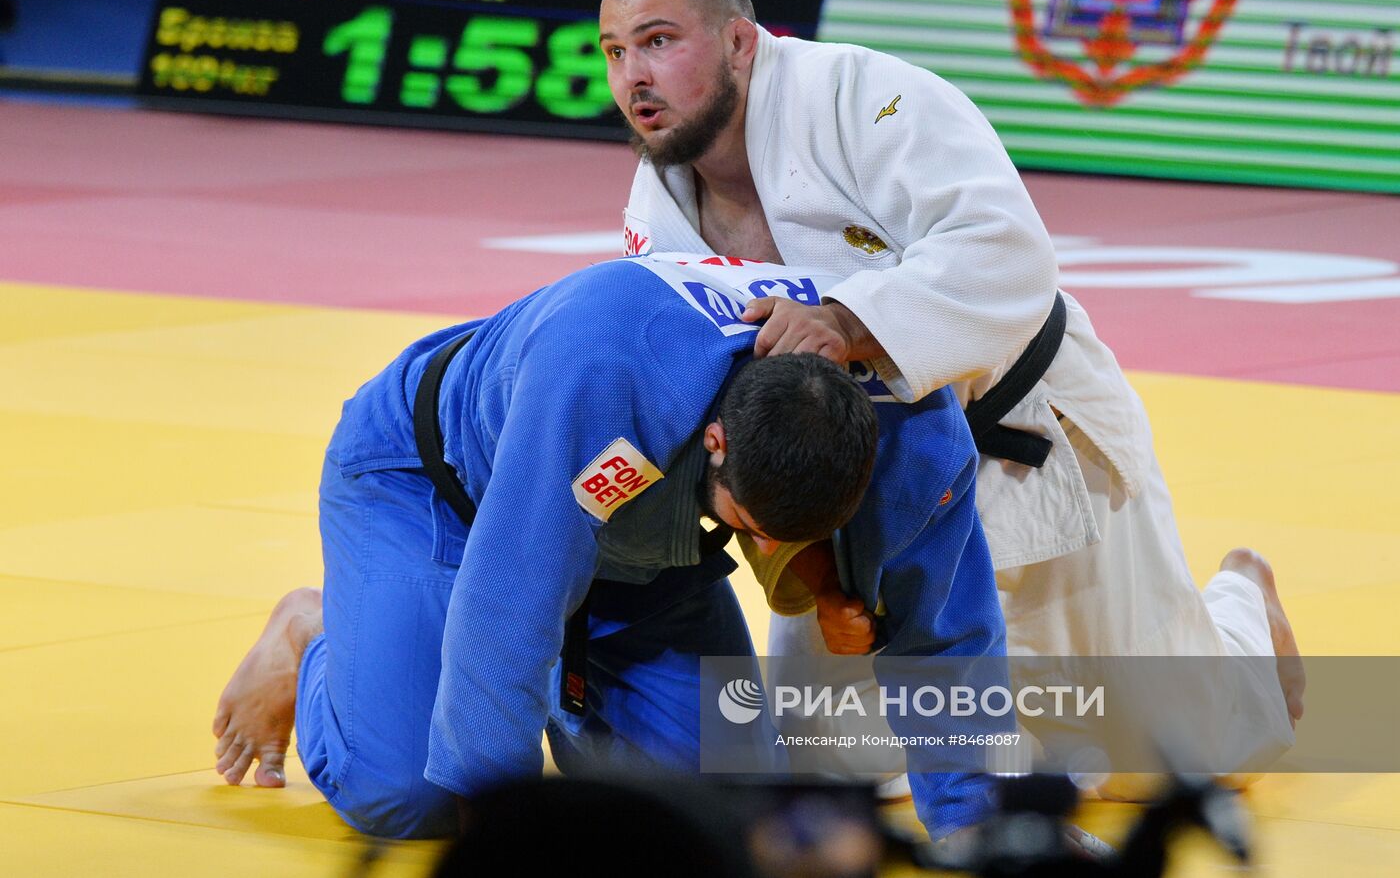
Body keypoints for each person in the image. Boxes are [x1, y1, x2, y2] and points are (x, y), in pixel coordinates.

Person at [598, 0, 1302, 794]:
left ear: (741, 42)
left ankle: (1242, 618)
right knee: (831, 762)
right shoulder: (656, 212)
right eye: (615, 51)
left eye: (659, 40)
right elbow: (726, 427)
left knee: (1175, 751)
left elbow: (1007, 250)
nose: (634, 75)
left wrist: (849, 322)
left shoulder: (865, 101)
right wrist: (818, 582)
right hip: (855, 485)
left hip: (1020, 432)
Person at [212, 253, 1007, 840]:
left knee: (726, 813)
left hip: (639, 548)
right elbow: (509, 606)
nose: (762, 547)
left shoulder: (920, 443)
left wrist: (975, 837)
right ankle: (315, 636)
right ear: (719, 438)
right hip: (437, 487)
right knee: (406, 797)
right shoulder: (609, 381)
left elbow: (952, 644)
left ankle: (549, 685)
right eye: (752, 525)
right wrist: (507, 834)